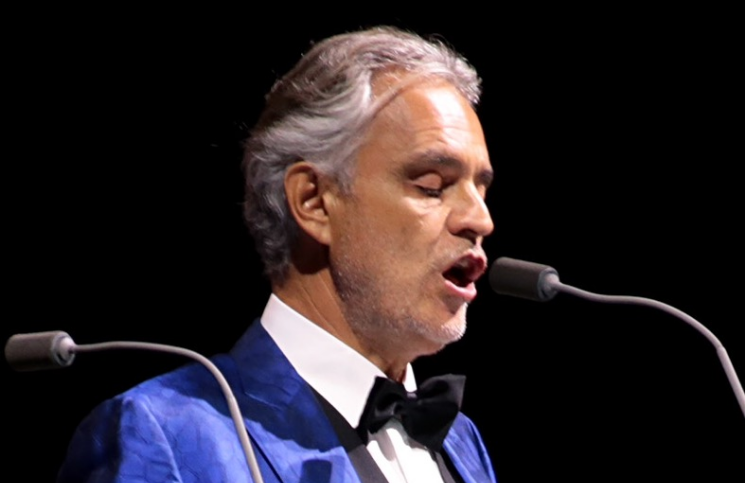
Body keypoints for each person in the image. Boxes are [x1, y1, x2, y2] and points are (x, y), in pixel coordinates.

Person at [57, 26, 497, 483]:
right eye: (431, 186)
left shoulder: (461, 441)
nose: (480, 220)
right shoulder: (164, 433)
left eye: (481, 190)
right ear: (313, 201)